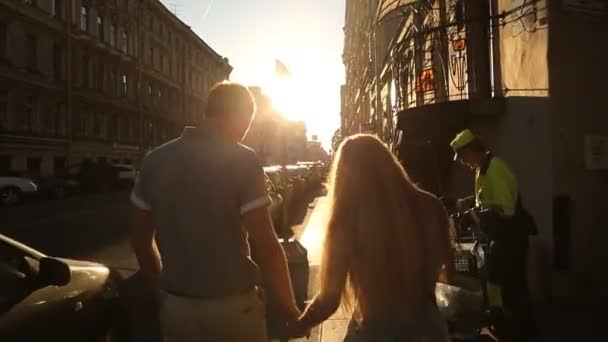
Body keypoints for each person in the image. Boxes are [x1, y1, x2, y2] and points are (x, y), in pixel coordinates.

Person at [130, 82, 304, 342]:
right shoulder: (242, 159)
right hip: (234, 309)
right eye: (247, 124)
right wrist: (290, 310)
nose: (244, 133)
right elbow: (267, 247)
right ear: (240, 115)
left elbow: (141, 241)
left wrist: (161, 293)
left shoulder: (154, 160)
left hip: (177, 310)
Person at [288, 134, 455, 341]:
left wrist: (301, 324)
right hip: (429, 330)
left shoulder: (346, 220)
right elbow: (450, 270)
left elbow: (329, 300)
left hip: (377, 332)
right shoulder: (431, 206)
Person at [450, 129, 535, 339]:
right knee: (496, 281)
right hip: (499, 239)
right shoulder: (483, 169)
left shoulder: (494, 169)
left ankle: (521, 332)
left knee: (513, 289)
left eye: (462, 157)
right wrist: (467, 203)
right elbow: (486, 200)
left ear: (471, 150)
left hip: (511, 238)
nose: (462, 162)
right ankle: (502, 320)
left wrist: (475, 215)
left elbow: (506, 209)